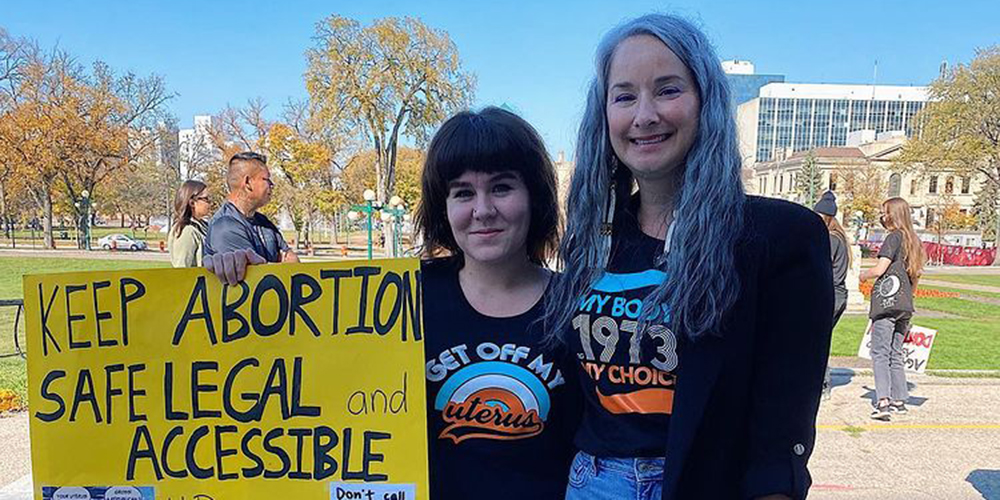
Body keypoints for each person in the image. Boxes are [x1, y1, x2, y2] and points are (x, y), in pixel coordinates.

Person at [545, 14, 832, 499]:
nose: (645, 115)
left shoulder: (776, 238)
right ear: (604, 114)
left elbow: (780, 436)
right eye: (625, 95)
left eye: (668, 89)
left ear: (706, 103)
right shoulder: (594, 238)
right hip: (589, 483)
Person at [416, 106, 579, 499]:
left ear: (534, 197)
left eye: (502, 187)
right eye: (463, 192)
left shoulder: (578, 307)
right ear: (444, 206)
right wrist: (245, 279)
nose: (483, 210)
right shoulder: (401, 299)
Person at [860, 197, 924, 421]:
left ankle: (883, 401)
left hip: (887, 304)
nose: (882, 215)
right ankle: (899, 399)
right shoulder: (913, 241)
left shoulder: (893, 238)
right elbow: (916, 276)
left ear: (892, 215)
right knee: (896, 352)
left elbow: (880, 269)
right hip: (905, 305)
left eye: (884, 212)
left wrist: (862, 275)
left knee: (880, 352)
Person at [203, 152, 298, 274]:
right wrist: (280, 265)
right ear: (247, 183)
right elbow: (255, 277)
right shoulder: (225, 226)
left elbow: (292, 261)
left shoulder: (264, 222)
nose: (272, 184)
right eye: (267, 179)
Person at [814, 191, 851, 398]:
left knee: (817, 341)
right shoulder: (839, 239)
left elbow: (822, 269)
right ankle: (821, 382)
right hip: (838, 294)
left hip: (830, 295)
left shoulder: (830, 239)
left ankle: (822, 383)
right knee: (820, 339)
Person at [167, 180, 212, 267]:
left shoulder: (202, 226)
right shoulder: (187, 231)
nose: (210, 203)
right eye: (206, 199)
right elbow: (182, 270)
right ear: (192, 203)